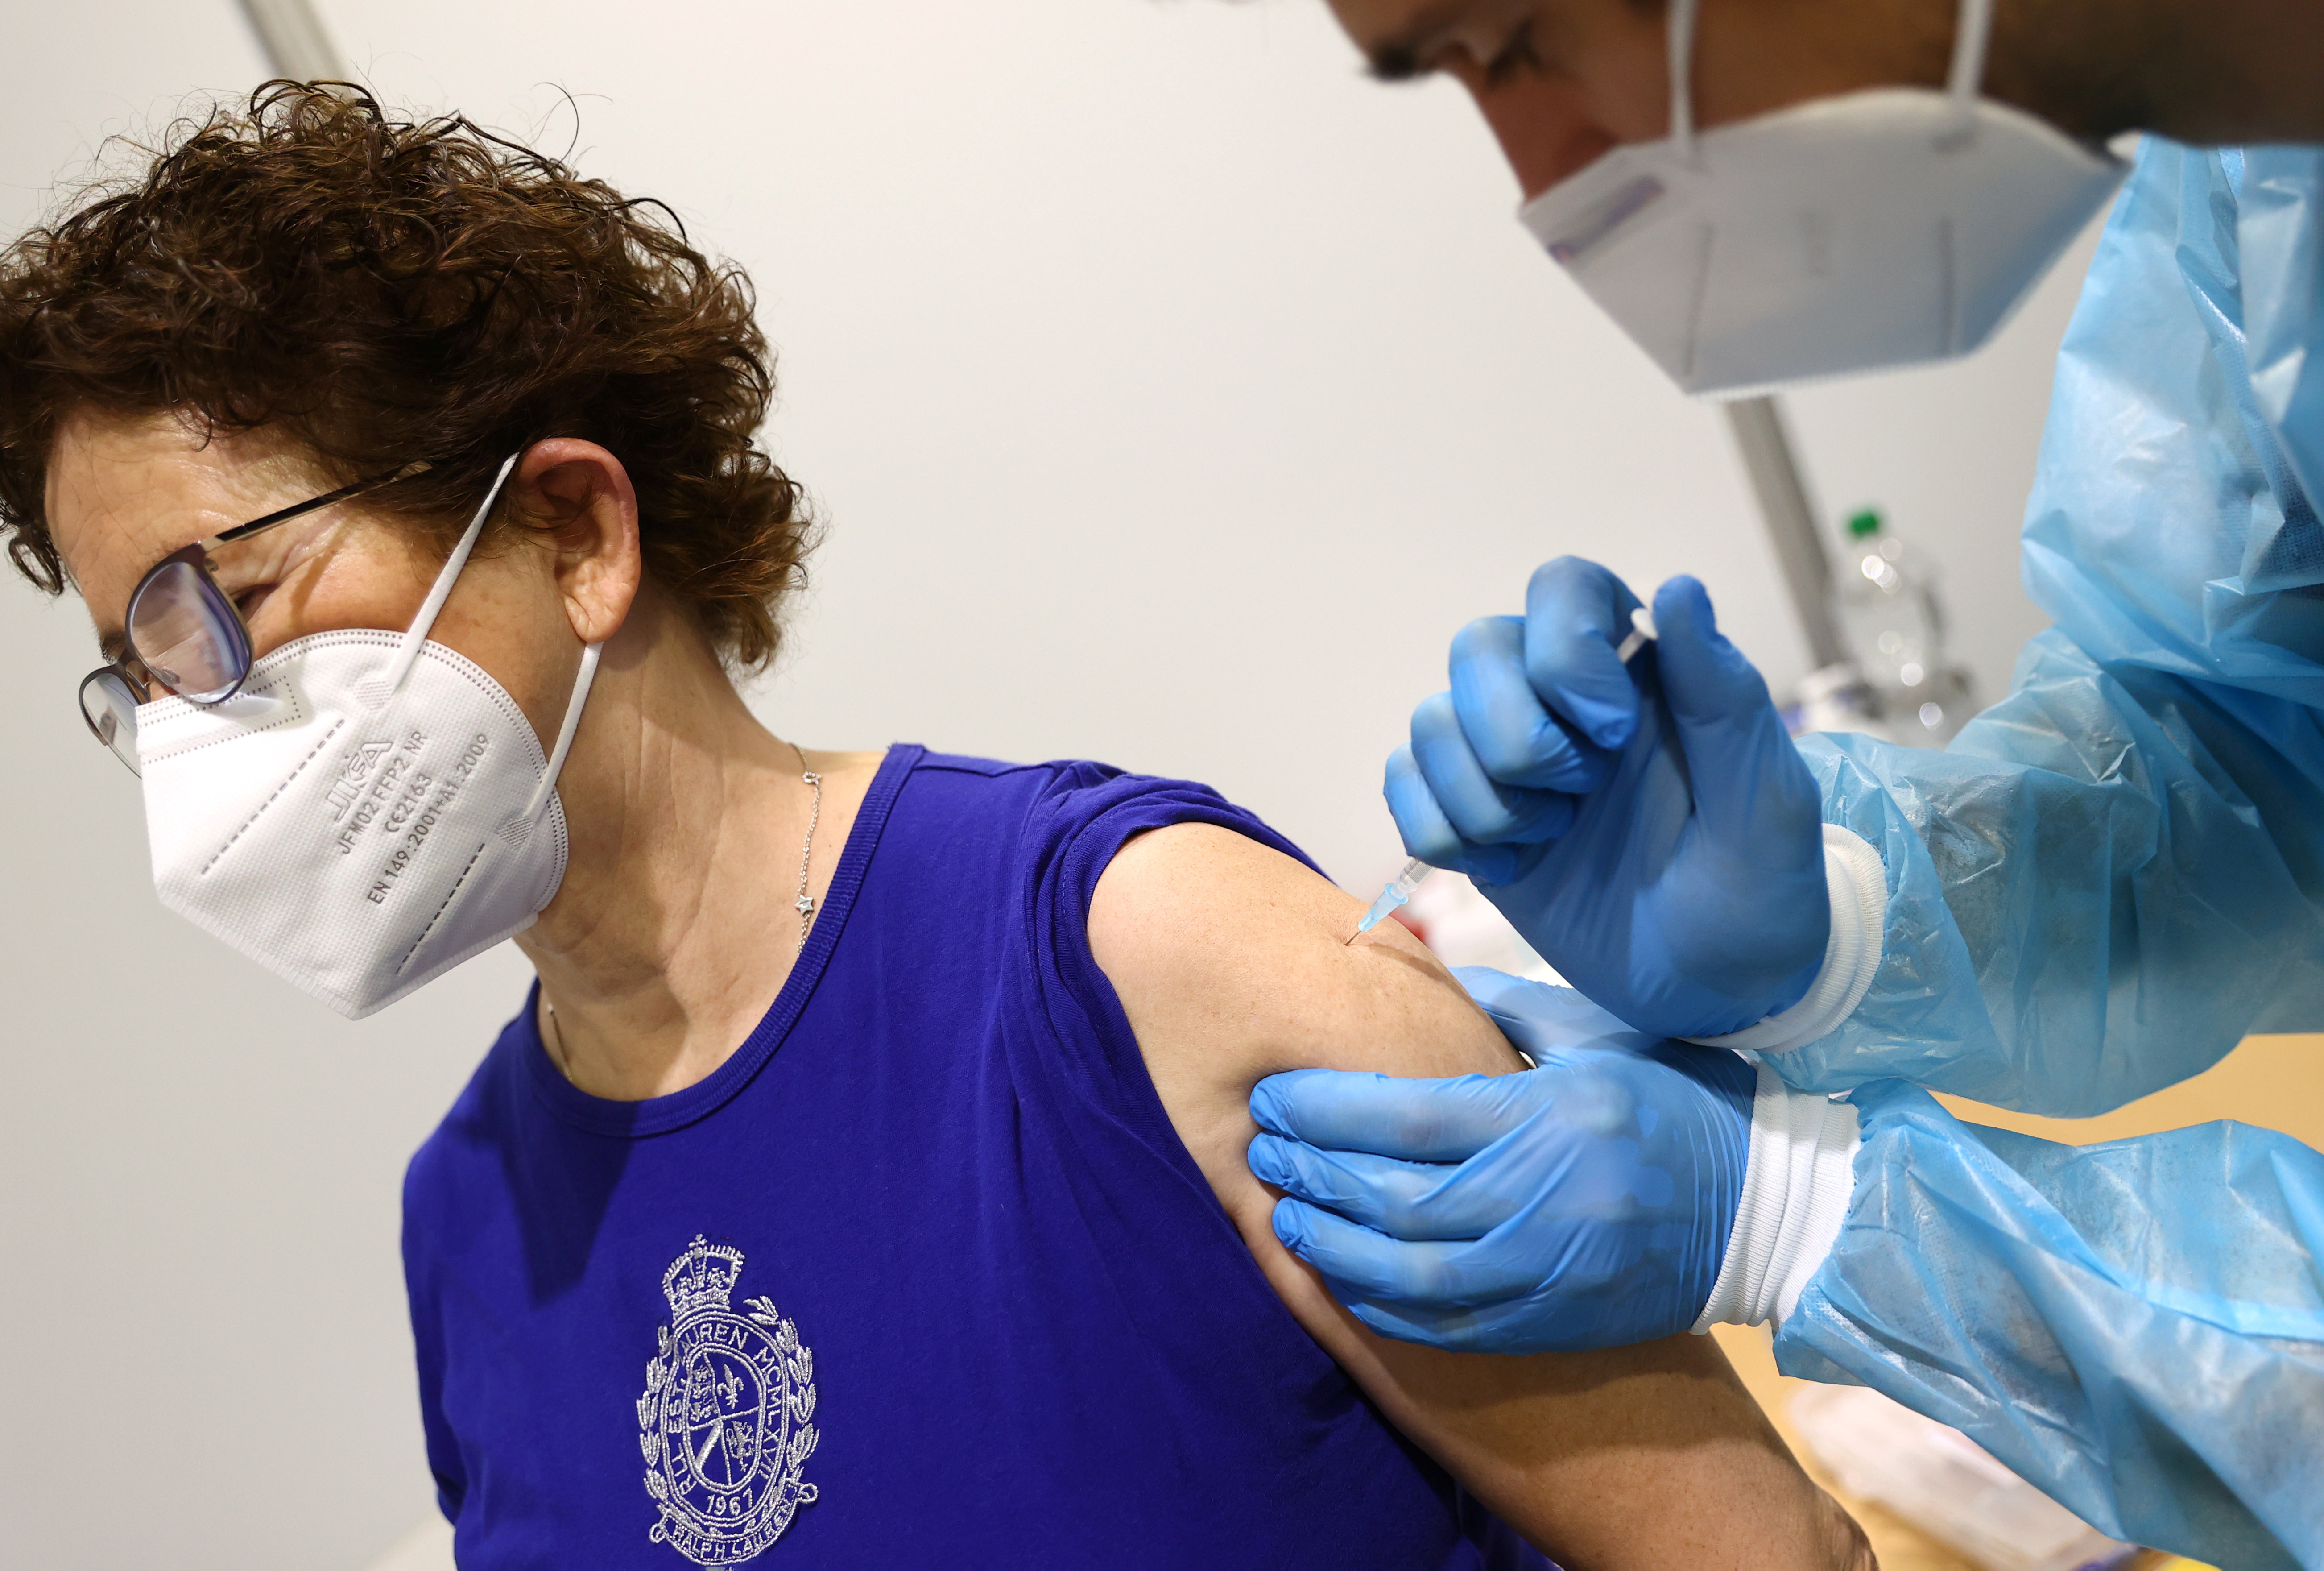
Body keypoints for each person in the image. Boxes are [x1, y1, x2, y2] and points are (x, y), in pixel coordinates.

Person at [0, 87, 1875, 1570]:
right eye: (138, 671)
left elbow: (1764, 1555)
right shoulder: (470, 1223)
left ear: (573, 531)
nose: (188, 726)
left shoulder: (1143, 957)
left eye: (219, 605)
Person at [1246, 0, 2324, 1566]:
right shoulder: (2264, 198)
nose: (1543, 175)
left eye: (1518, 37)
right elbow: (2250, 755)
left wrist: (1826, 1221)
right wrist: (1849, 927)